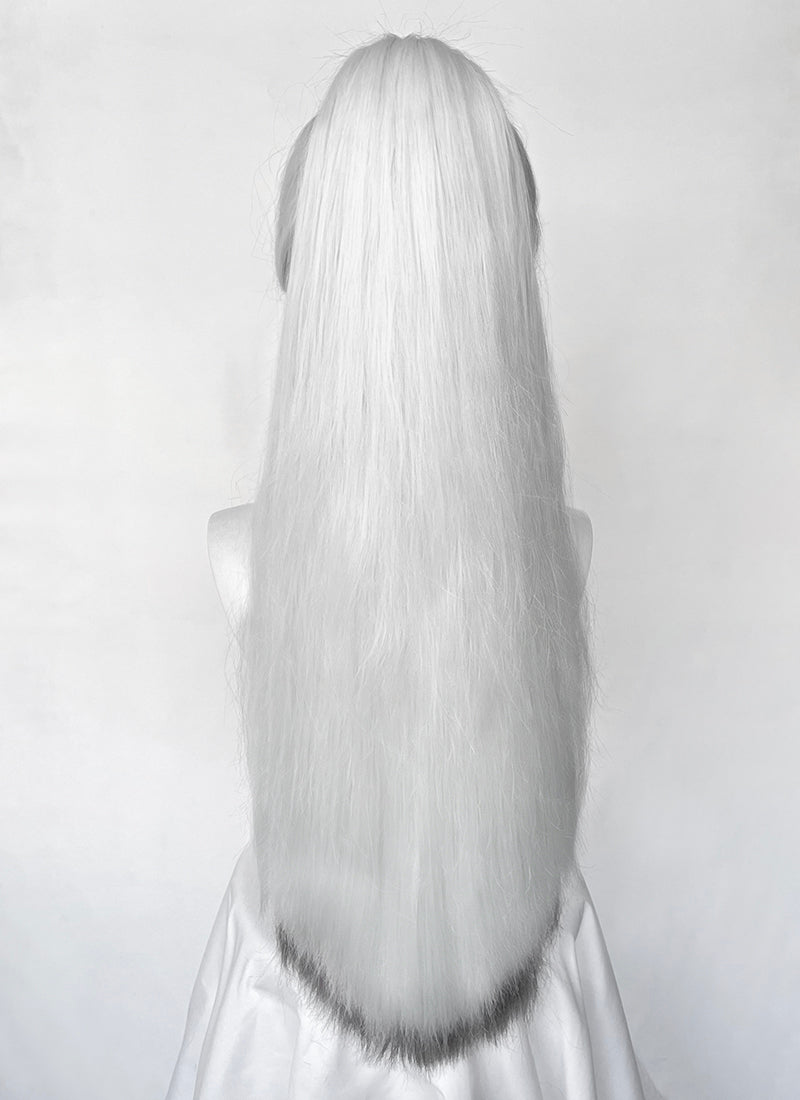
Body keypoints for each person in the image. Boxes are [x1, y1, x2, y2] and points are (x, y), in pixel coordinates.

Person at [166, 32, 664, 1099]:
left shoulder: (243, 552)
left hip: (296, 1030)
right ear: (505, 267)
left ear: (315, 267)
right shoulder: (561, 551)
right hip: (518, 1022)